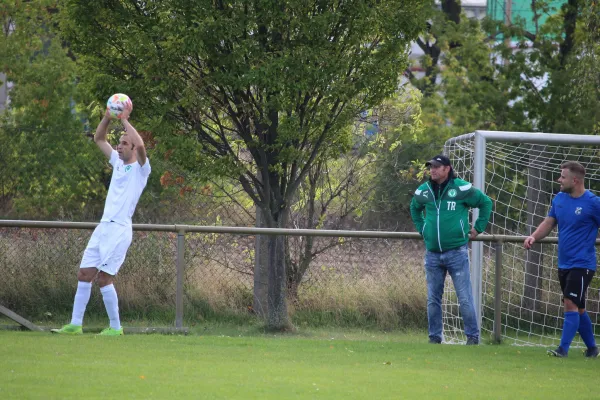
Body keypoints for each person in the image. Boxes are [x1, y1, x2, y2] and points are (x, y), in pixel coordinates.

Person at [51, 102, 151, 336]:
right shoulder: (117, 163)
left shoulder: (141, 170)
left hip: (119, 230)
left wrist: (125, 119)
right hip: (103, 227)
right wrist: (108, 117)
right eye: (119, 142)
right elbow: (98, 139)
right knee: (84, 274)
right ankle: (75, 324)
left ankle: (116, 328)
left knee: (105, 278)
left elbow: (142, 144)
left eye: (125, 143)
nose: (120, 146)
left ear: (133, 149)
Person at [410, 154, 492, 345]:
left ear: (447, 169)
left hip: (457, 252)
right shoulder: (424, 191)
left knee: (464, 297)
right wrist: (422, 229)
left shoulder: (461, 187)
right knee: (433, 299)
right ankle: (434, 338)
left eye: (437, 167)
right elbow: (414, 208)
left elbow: (485, 202)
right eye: (431, 167)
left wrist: (478, 228)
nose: (433, 170)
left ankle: (472, 337)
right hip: (432, 254)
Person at [524, 161, 600, 358]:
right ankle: (592, 349)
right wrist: (534, 236)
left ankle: (562, 350)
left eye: (563, 177)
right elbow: (549, 222)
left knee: (570, 303)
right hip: (564, 263)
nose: (559, 179)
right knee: (579, 308)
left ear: (575, 180)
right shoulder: (559, 199)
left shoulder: (593, 202)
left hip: (582, 264)